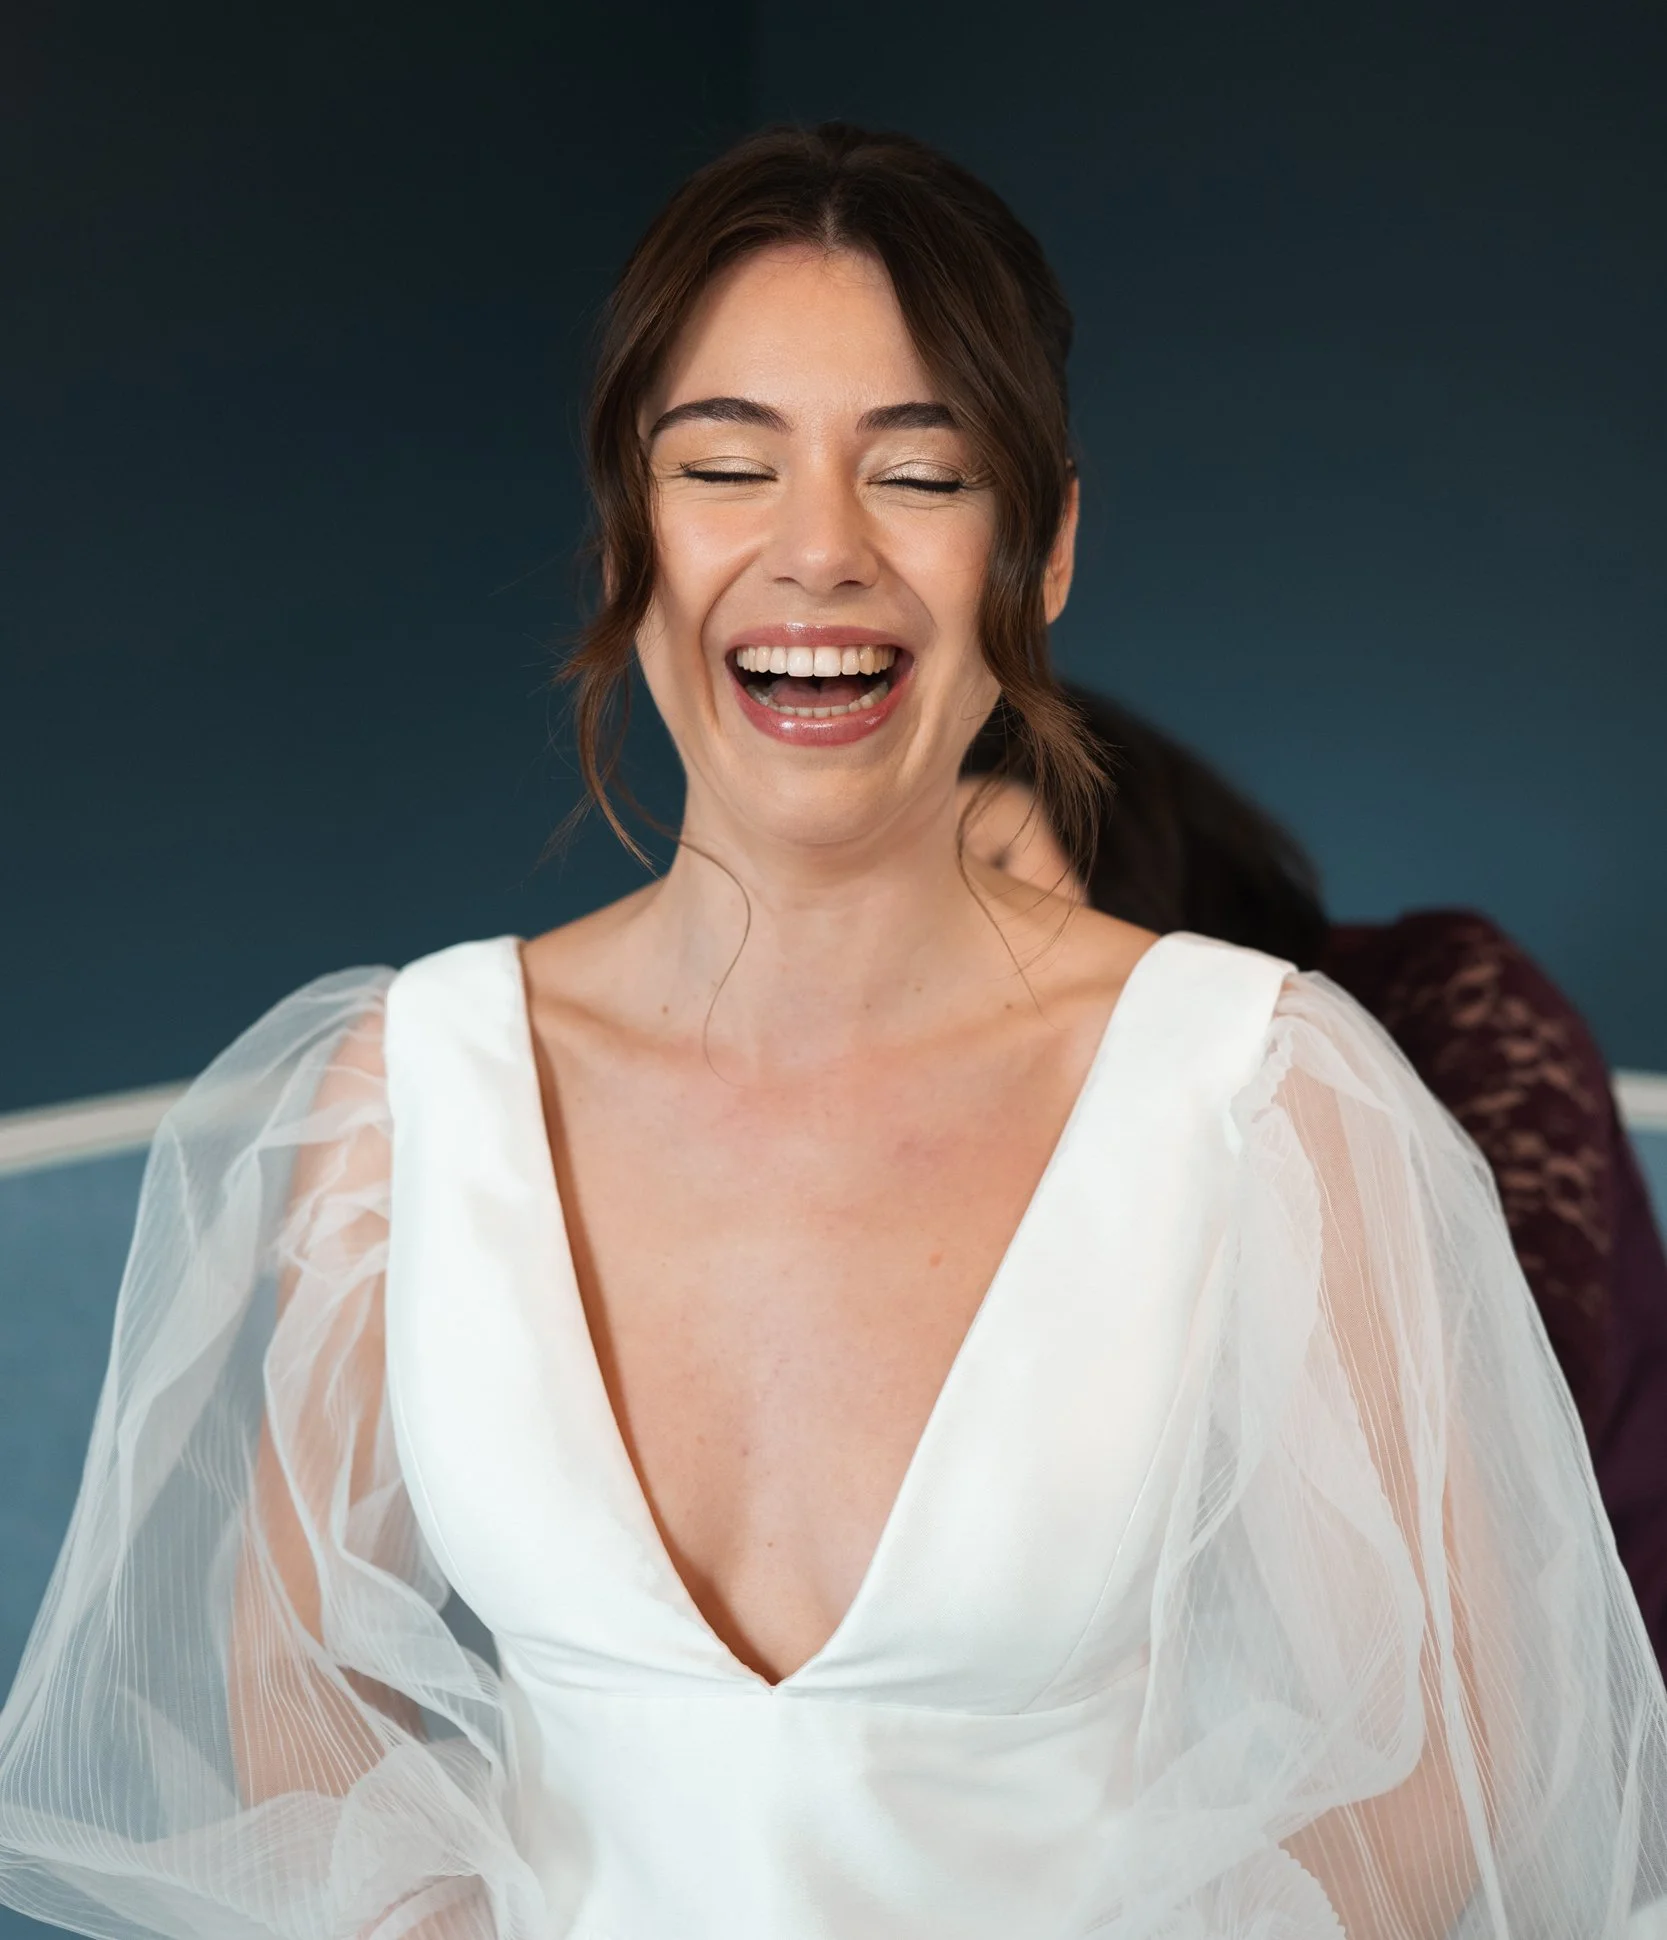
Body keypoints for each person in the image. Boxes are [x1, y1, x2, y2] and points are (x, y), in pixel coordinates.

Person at [1, 123, 1663, 1940]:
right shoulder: (395, 1102)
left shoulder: (1271, 1099)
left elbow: (1444, 1806)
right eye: (725, 466)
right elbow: (281, 1712)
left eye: (920, 476)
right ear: (629, 536)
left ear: (1041, 552)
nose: (816, 555)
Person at [961, 687, 1667, 1678]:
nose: (963, 945)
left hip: (1571, 1669)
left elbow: (1503, 1442)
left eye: (992, 871)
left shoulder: (1439, 994)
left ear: (1110, 833)